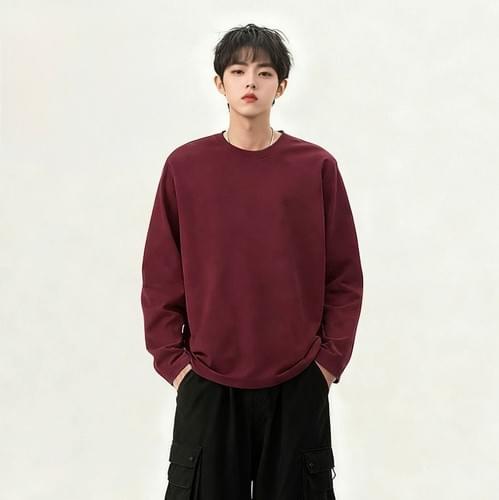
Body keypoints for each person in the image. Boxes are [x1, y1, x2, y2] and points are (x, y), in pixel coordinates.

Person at [140, 23, 363, 500]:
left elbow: (344, 276)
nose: (250, 83)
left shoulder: (315, 168)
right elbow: (160, 276)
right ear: (219, 83)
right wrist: (176, 365)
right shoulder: (185, 168)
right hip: (207, 381)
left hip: (297, 381)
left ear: (281, 86)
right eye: (238, 71)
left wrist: (327, 363)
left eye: (264, 73)